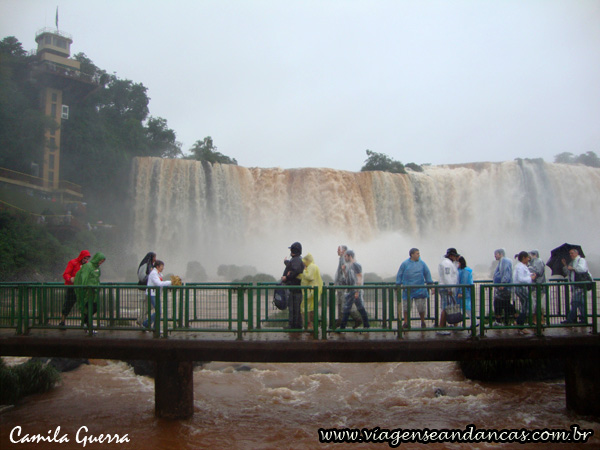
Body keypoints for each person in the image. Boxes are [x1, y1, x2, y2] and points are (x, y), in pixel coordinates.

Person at [395, 248, 433, 329]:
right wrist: (398, 284)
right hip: (407, 289)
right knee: (406, 307)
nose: (419, 255)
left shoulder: (422, 264)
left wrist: (430, 284)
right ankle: (406, 322)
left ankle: (423, 322)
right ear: (412, 254)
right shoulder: (405, 264)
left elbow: (427, 273)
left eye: (419, 253)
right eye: (417, 253)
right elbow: (399, 274)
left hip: (419, 289)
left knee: (421, 307)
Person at [339, 250, 370, 330]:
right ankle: (366, 326)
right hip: (351, 290)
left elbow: (359, 277)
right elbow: (347, 277)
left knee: (351, 308)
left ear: (350, 256)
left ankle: (342, 327)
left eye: (346, 256)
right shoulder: (350, 265)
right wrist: (344, 271)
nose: (345, 258)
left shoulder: (356, 265)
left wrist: (357, 291)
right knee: (356, 308)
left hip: (355, 290)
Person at [59, 250, 91, 327]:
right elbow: (65, 274)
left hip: (81, 289)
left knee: (85, 305)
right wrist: (70, 279)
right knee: (68, 304)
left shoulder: (87, 265)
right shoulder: (73, 262)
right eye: (84, 258)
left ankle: (85, 322)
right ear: (81, 257)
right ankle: (62, 322)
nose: (86, 260)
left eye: (87, 259)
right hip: (72, 287)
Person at [74, 252, 106, 331]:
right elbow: (84, 277)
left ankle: (87, 324)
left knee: (94, 307)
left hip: (94, 292)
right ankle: (88, 325)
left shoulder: (97, 268)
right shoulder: (88, 266)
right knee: (89, 307)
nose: (101, 263)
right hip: (87, 291)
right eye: (100, 261)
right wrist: (83, 288)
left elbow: (97, 278)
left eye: (102, 262)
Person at [561, 248, 592, 324]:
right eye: (570, 253)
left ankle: (571, 319)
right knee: (580, 303)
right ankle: (582, 319)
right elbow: (568, 273)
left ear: (576, 253)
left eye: (572, 253)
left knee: (575, 302)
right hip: (575, 285)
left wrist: (573, 268)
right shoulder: (572, 262)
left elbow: (582, 269)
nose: (570, 255)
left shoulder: (581, 260)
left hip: (581, 285)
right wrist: (565, 265)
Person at [335, 245, 362, 328]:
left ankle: (343, 323)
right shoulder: (342, 259)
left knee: (344, 304)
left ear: (343, 251)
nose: (337, 251)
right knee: (342, 304)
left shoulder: (343, 259)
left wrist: (342, 284)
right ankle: (340, 323)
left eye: (338, 250)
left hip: (342, 287)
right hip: (341, 286)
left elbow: (345, 273)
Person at [142, 260, 172, 329]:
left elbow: (160, 284)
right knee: (158, 311)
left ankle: (155, 328)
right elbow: (158, 284)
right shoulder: (154, 274)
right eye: (162, 266)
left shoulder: (158, 274)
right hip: (152, 294)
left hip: (156, 294)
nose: (163, 268)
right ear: (157, 266)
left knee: (158, 312)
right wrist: (170, 282)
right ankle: (146, 324)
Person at [282, 242, 304, 329]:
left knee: (293, 308)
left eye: (291, 249)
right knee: (296, 308)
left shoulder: (296, 260)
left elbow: (295, 270)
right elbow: (294, 267)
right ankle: (296, 325)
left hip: (294, 288)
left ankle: (293, 326)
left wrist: (286, 278)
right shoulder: (297, 259)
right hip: (296, 288)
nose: (290, 251)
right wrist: (286, 262)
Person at [437, 248, 460, 334]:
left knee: (447, 307)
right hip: (446, 288)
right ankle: (441, 328)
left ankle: (450, 326)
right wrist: (450, 288)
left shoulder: (448, 263)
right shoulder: (447, 264)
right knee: (445, 308)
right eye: (454, 256)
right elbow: (447, 277)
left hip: (446, 288)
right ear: (451, 256)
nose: (455, 257)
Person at [299, 253, 323, 330]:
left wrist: (303, 271)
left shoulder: (311, 266)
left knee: (305, 307)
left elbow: (309, 276)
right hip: (313, 291)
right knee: (311, 307)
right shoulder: (313, 266)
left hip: (311, 291)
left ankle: (309, 325)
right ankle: (312, 325)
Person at [513, 251, 535, 334]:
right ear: (523, 258)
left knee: (525, 305)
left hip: (521, 288)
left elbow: (524, 276)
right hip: (521, 288)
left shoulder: (520, 266)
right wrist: (531, 278)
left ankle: (519, 323)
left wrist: (531, 275)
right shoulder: (520, 267)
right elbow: (521, 278)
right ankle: (520, 324)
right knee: (526, 304)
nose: (528, 259)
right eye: (527, 257)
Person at [493, 248, 514, 326]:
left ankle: (501, 321)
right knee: (505, 304)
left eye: (496, 254)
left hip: (504, 288)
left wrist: (503, 283)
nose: (495, 256)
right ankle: (506, 321)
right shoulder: (502, 261)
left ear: (500, 254)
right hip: (503, 288)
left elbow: (506, 273)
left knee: (500, 303)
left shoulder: (505, 261)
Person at [528, 250, 546, 325]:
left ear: (534, 255)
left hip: (539, 287)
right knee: (535, 305)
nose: (528, 257)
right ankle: (535, 321)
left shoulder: (538, 261)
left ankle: (540, 321)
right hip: (535, 287)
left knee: (539, 305)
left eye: (529, 255)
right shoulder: (533, 262)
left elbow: (538, 272)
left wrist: (528, 268)